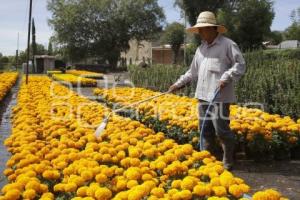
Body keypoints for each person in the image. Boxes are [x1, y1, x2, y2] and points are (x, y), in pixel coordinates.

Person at [168, 11, 246, 170]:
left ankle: (228, 159)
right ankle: (207, 159)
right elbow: (192, 72)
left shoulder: (227, 45)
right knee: (205, 131)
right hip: (203, 96)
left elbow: (240, 65)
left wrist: (226, 76)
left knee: (222, 130)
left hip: (219, 97)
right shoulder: (200, 49)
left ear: (212, 28)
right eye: (199, 30)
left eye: (203, 29)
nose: (200, 33)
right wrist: (177, 84)